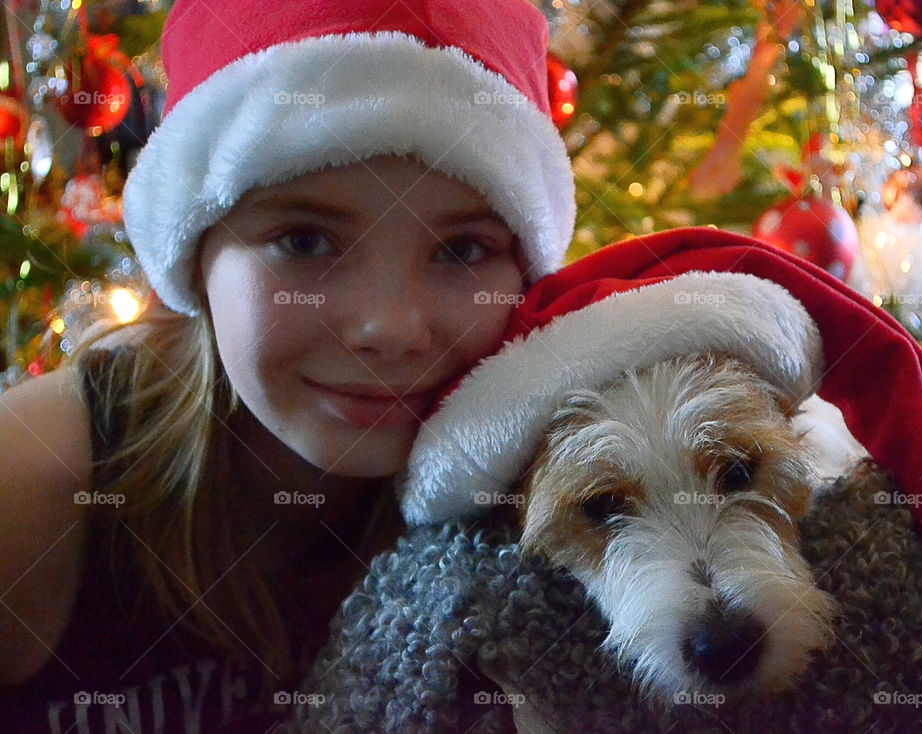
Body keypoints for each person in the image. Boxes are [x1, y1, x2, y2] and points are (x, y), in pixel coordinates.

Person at [0, 0, 576, 731]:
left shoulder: (565, 500)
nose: (390, 328)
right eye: (305, 240)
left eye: (462, 250)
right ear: (194, 256)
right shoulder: (31, 491)